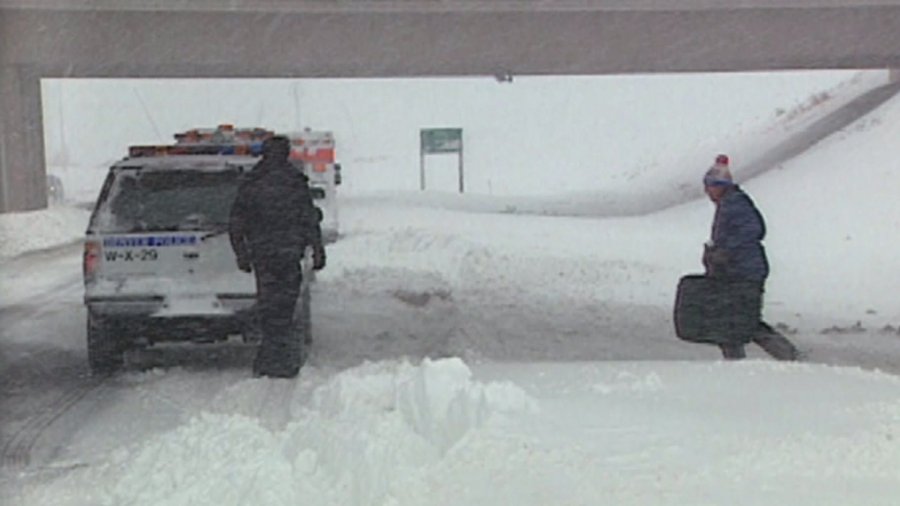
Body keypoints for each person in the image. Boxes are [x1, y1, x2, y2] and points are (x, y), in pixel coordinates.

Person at [229, 135, 326, 378]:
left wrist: (241, 253)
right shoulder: (294, 181)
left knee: (268, 303)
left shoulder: (252, 181)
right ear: (286, 153)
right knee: (285, 304)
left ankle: (269, 356)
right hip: (288, 252)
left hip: (263, 254)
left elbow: (237, 222)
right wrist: (317, 249)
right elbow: (309, 218)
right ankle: (281, 357)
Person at [701, 154, 800, 361]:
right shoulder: (729, 204)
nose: (707, 192)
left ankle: (787, 356)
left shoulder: (735, 204)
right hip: (737, 272)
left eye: (710, 186)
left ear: (720, 186)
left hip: (744, 273)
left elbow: (753, 230)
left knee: (743, 321)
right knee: (734, 321)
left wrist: (725, 252)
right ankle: (740, 360)